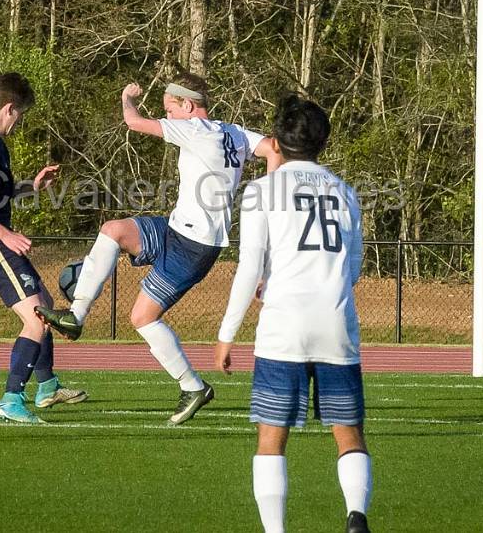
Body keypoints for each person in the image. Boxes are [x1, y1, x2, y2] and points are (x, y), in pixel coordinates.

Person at [38, 71, 279, 424]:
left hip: (194, 247)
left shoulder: (196, 129)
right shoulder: (233, 132)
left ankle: (193, 387)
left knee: (141, 317)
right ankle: (75, 315)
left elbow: (133, 122)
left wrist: (127, 97)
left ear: (187, 104)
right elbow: (274, 147)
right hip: (176, 228)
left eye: (170, 108)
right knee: (113, 230)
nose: (167, 115)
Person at [214, 95, 372, 533]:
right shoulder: (346, 192)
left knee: (271, 439)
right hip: (337, 324)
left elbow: (250, 268)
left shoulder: (261, 191)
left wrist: (228, 332)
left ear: (277, 143)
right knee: (348, 433)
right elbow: (353, 267)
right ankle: (356, 515)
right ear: (323, 143)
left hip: (283, 326)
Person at [0, 72, 86, 424]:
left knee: (44, 304)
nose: (19, 123)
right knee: (36, 317)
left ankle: (46, 385)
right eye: (21, 116)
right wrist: (6, 235)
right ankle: (11, 398)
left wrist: (31, 186)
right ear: (9, 109)